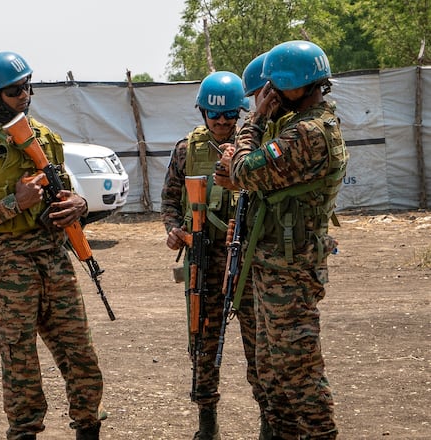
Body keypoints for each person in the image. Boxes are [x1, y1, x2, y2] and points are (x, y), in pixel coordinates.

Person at [0, 51, 105, 440]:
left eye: (27, 86)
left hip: (55, 261)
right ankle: (24, 431)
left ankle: (88, 426)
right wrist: (13, 204)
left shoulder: (44, 140)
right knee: (19, 360)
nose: (25, 95)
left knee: (80, 356)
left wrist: (79, 205)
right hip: (12, 267)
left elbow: (68, 191)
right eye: (15, 90)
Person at [225, 40, 348, 439]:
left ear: (298, 84)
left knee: (298, 374)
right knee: (271, 371)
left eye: (275, 88)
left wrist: (255, 121)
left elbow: (245, 170)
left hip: (290, 271)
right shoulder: (303, 124)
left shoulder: (308, 133)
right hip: (274, 264)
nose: (269, 96)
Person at [161, 71, 268, 440]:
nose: (222, 122)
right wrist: (174, 230)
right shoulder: (185, 150)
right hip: (204, 262)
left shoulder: (256, 147)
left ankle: (268, 421)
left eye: (229, 116)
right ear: (203, 112)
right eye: (214, 115)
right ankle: (207, 423)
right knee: (203, 346)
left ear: (239, 114)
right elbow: (169, 202)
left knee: (260, 346)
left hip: (248, 264)